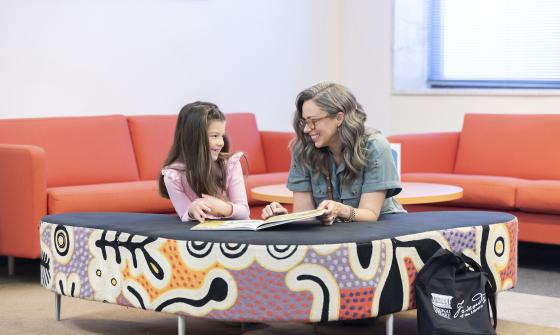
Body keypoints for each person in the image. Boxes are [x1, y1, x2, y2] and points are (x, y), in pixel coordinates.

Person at [262, 82, 405, 224]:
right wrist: (283, 218)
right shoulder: (303, 149)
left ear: (339, 118)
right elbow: (305, 214)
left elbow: (371, 214)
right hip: (334, 235)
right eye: (304, 121)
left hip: (382, 228)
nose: (306, 129)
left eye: (313, 121)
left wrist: (340, 210)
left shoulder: (375, 146)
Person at [159, 101, 250, 222]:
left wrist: (223, 208)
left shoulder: (229, 164)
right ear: (193, 138)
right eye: (214, 136)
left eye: (222, 135)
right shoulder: (173, 176)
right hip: (204, 237)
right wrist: (191, 210)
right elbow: (184, 215)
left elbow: (244, 212)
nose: (221, 142)